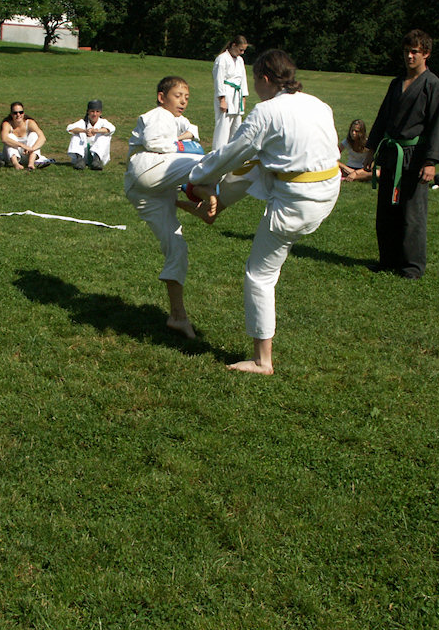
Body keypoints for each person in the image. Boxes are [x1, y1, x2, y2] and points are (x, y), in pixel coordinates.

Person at [185, 49, 341, 375]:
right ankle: (215, 207)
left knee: (260, 274)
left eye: (255, 80)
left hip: (299, 202)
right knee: (256, 165)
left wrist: (195, 177)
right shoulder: (318, 104)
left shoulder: (267, 112)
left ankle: (261, 360)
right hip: (327, 190)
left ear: (265, 79)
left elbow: (231, 152)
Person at [124, 76, 217, 340]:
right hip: (146, 169)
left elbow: (192, 129)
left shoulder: (176, 118)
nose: (183, 101)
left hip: (150, 191)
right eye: (178, 96)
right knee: (208, 160)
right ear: (161, 97)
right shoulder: (158, 115)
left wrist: (186, 137)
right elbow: (154, 142)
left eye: (186, 97)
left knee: (177, 248)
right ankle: (201, 193)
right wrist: (181, 143)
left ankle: (178, 316)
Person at [363, 29, 439, 279]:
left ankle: (412, 266)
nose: (409, 56)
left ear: (426, 54)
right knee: (387, 211)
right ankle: (387, 260)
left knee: (412, 214)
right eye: (406, 51)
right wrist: (371, 150)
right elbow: (382, 117)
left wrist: (430, 161)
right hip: (391, 153)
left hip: (414, 156)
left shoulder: (433, 85)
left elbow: (437, 126)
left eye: (415, 52)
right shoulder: (396, 83)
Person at [212, 35, 249, 150]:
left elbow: (243, 79)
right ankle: (218, 153)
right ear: (233, 45)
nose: (242, 53)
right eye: (240, 50)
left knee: (237, 127)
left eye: (244, 50)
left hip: (237, 96)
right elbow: (218, 80)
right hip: (226, 94)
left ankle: (232, 153)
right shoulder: (222, 59)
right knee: (223, 127)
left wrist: (243, 97)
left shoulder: (240, 60)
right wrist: (222, 99)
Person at [0, 102, 51, 171]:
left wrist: (32, 149)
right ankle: (16, 164)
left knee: (34, 134)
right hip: (11, 156)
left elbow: (42, 138)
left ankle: (31, 163)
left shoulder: (29, 122)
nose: (18, 115)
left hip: (27, 153)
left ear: (23, 113)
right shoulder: (7, 124)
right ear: (11, 114)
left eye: (20, 112)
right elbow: (4, 139)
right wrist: (22, 145)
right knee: (10, 136)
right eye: (15, 113)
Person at [66, 99, 116, 170]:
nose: (94, 114)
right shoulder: (83, 122)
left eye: (97, 112)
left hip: (100, 155)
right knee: (76, 136)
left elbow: (112, 129)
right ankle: (79, 160)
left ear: (100, 113)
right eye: (92, 111)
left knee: (104, 137)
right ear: (88, 112)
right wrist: (84, 131)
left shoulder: (103, 122)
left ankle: (96, 161)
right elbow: (69, 129)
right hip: (84, 154)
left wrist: (96, 131)